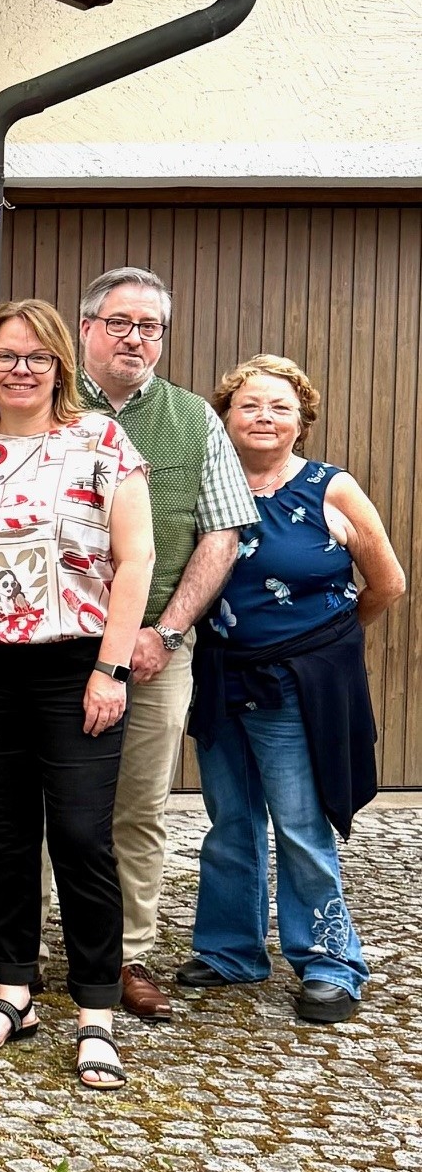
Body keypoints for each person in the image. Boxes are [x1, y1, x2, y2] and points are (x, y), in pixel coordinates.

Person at [0, 268, 254, 1022]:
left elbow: (220, 533)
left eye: (150, 326)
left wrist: (163, 632)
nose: (135, 338)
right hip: (39, 652)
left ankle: (123, 957)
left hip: (153, 641)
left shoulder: (192, 418)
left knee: (128, 810)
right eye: (120, 322)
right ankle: (24, 964)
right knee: (35, 818)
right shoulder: (26, 416)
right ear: (84, 329)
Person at [0, 299, 153, 1091]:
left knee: (85, 838)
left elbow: (136, 561)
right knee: (8, 834)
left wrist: (112, 668)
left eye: (36, 356)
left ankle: (95, 1009)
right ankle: (15, 990)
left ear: (61, 365)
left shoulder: (99, 441)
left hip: (75, 666)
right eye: (5, 355)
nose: (19, 368)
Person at [180, 354, 405, 1022]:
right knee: (230, 821)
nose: (264, 417)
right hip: (220, 676)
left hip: (294, 685)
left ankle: (331, 962)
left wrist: (328, 644)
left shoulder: (330, 488)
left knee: (301, 825)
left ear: (301, 421)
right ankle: (231, 950)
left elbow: (387, 581)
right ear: (225, 417)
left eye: (279, 406)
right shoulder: (206, 486)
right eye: (249, 405)